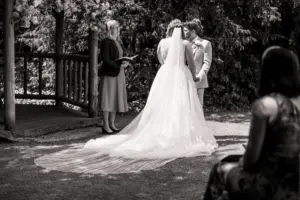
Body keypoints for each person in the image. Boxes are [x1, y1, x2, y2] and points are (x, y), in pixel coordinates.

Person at [34, 19, 218, 175]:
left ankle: (161, 132)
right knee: (181, 106)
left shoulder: (162, 42)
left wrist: (168, 68)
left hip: (164, 75)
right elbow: (192, 66)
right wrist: (194, 76)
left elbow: (161, 60)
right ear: (180, 31)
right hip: (181, 75)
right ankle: (179, 134)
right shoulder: (185, 44)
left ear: (169, 29)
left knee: (162, 105)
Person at [203, 46, 300, 200]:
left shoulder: (265, 106)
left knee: (220, 170)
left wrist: (241, 163)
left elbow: (251, 160)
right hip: (296, 179)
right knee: (229, 159)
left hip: (276, 184)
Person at [98, 20, 129, 134]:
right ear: (110, 28)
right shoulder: (105, 42)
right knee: (108, 99)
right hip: (109, 74)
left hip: (119, 74)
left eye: (118, 26)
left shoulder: (118, 41)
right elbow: (105, 60)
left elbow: (121, 56)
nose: (118, 28)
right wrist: (119, 65)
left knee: (115, 98)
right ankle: (105, 125)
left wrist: (126, 62)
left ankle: (112, 123)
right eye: (115, 27)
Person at [183, 19, 212, 106]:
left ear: (193, 31)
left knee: (198, 109)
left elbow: (207, 63)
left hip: (198, 82)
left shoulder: (205, 43)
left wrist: (199, 76)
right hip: (184, 81)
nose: (183, 33)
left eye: (185, 31)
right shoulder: (183, 44)